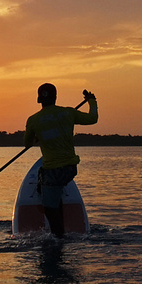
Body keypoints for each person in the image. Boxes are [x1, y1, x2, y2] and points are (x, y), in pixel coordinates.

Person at [22, 83, 98, 237]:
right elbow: (92, 118)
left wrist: (37, 136)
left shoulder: (33, 120)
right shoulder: (68, 113)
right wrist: (92, 101)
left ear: (39, 99)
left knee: (49, 208)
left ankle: (58, 239)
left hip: (52, 171)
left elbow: (27, 144)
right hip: (70, 169)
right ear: (55, 98)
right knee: (52, 188)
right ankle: (56, 200)